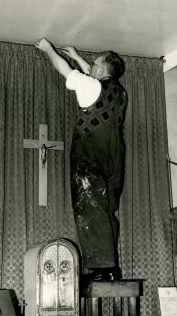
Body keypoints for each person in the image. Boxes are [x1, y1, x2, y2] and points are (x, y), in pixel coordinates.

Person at [35, 38, 128, 281]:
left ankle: (103, 269)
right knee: (107, 210)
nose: (91, 67)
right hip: (113, 156)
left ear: (101, 70)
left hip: (91, 154)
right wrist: (76, 55)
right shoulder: (119, 91)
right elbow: (89, 72)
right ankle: (109, 267)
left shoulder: (91, 87)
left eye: (95, 64)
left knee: (89, 207)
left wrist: (49, 50)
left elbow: (66, 71)